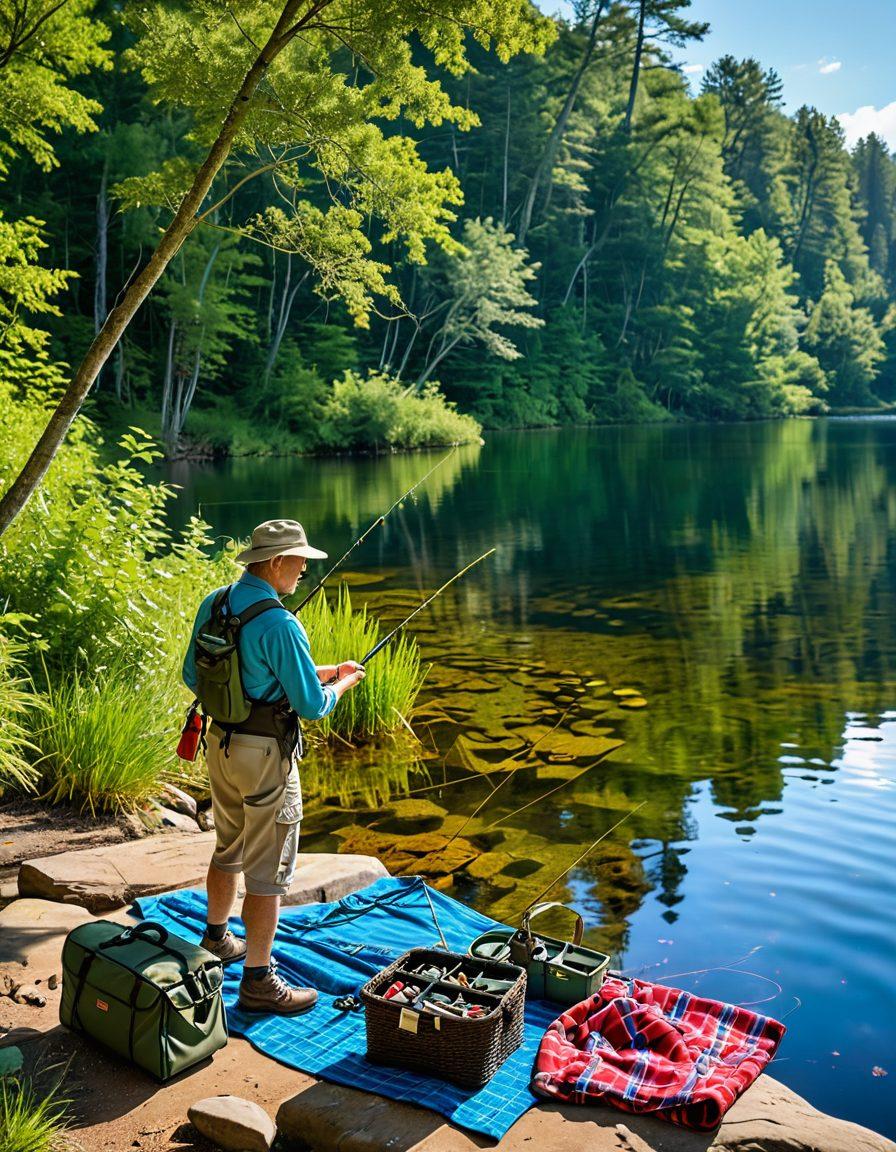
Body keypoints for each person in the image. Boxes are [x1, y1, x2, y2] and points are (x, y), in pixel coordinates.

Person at [182, 519, 364, 1015]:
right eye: (300, 559)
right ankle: (259, 981)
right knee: (267, 873)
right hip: (266, 757)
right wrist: (342, 685)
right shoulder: (281, 622)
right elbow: (310, 705)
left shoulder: (216, 603)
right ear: (276, 561)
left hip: (219, 744)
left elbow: (192, 673)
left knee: (228, 845)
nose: (305, 568)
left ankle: (217, 940)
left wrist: (323, 670)